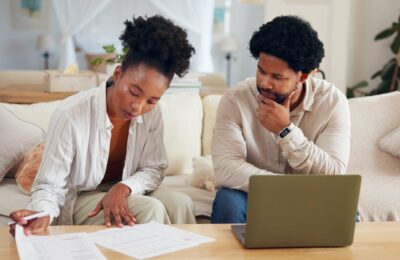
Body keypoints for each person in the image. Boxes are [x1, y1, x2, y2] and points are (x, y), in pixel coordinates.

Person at [9, 15, 196, 236]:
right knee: (149, 209)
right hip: (81, 198)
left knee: (181, 202)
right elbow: (49, 184)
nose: (138, 107)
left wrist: (124, 188)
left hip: (127, 190)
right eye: (134, 92)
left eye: (152, 100)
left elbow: (154, 168)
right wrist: (41, 213)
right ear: (118, 74)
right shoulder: (71, 114)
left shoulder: (153, 115)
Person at [211, 15, 351, 223]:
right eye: (261, 71)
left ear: (303, 76)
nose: (264, 83)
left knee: (346, 209)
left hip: (311, 197)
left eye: (277, 77)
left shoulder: (332, 102)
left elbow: (334, 173)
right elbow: (226, 168)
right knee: (228, 200)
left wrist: (286, 131)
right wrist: (286, 189)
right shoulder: (235, 100)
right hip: (252, 194)